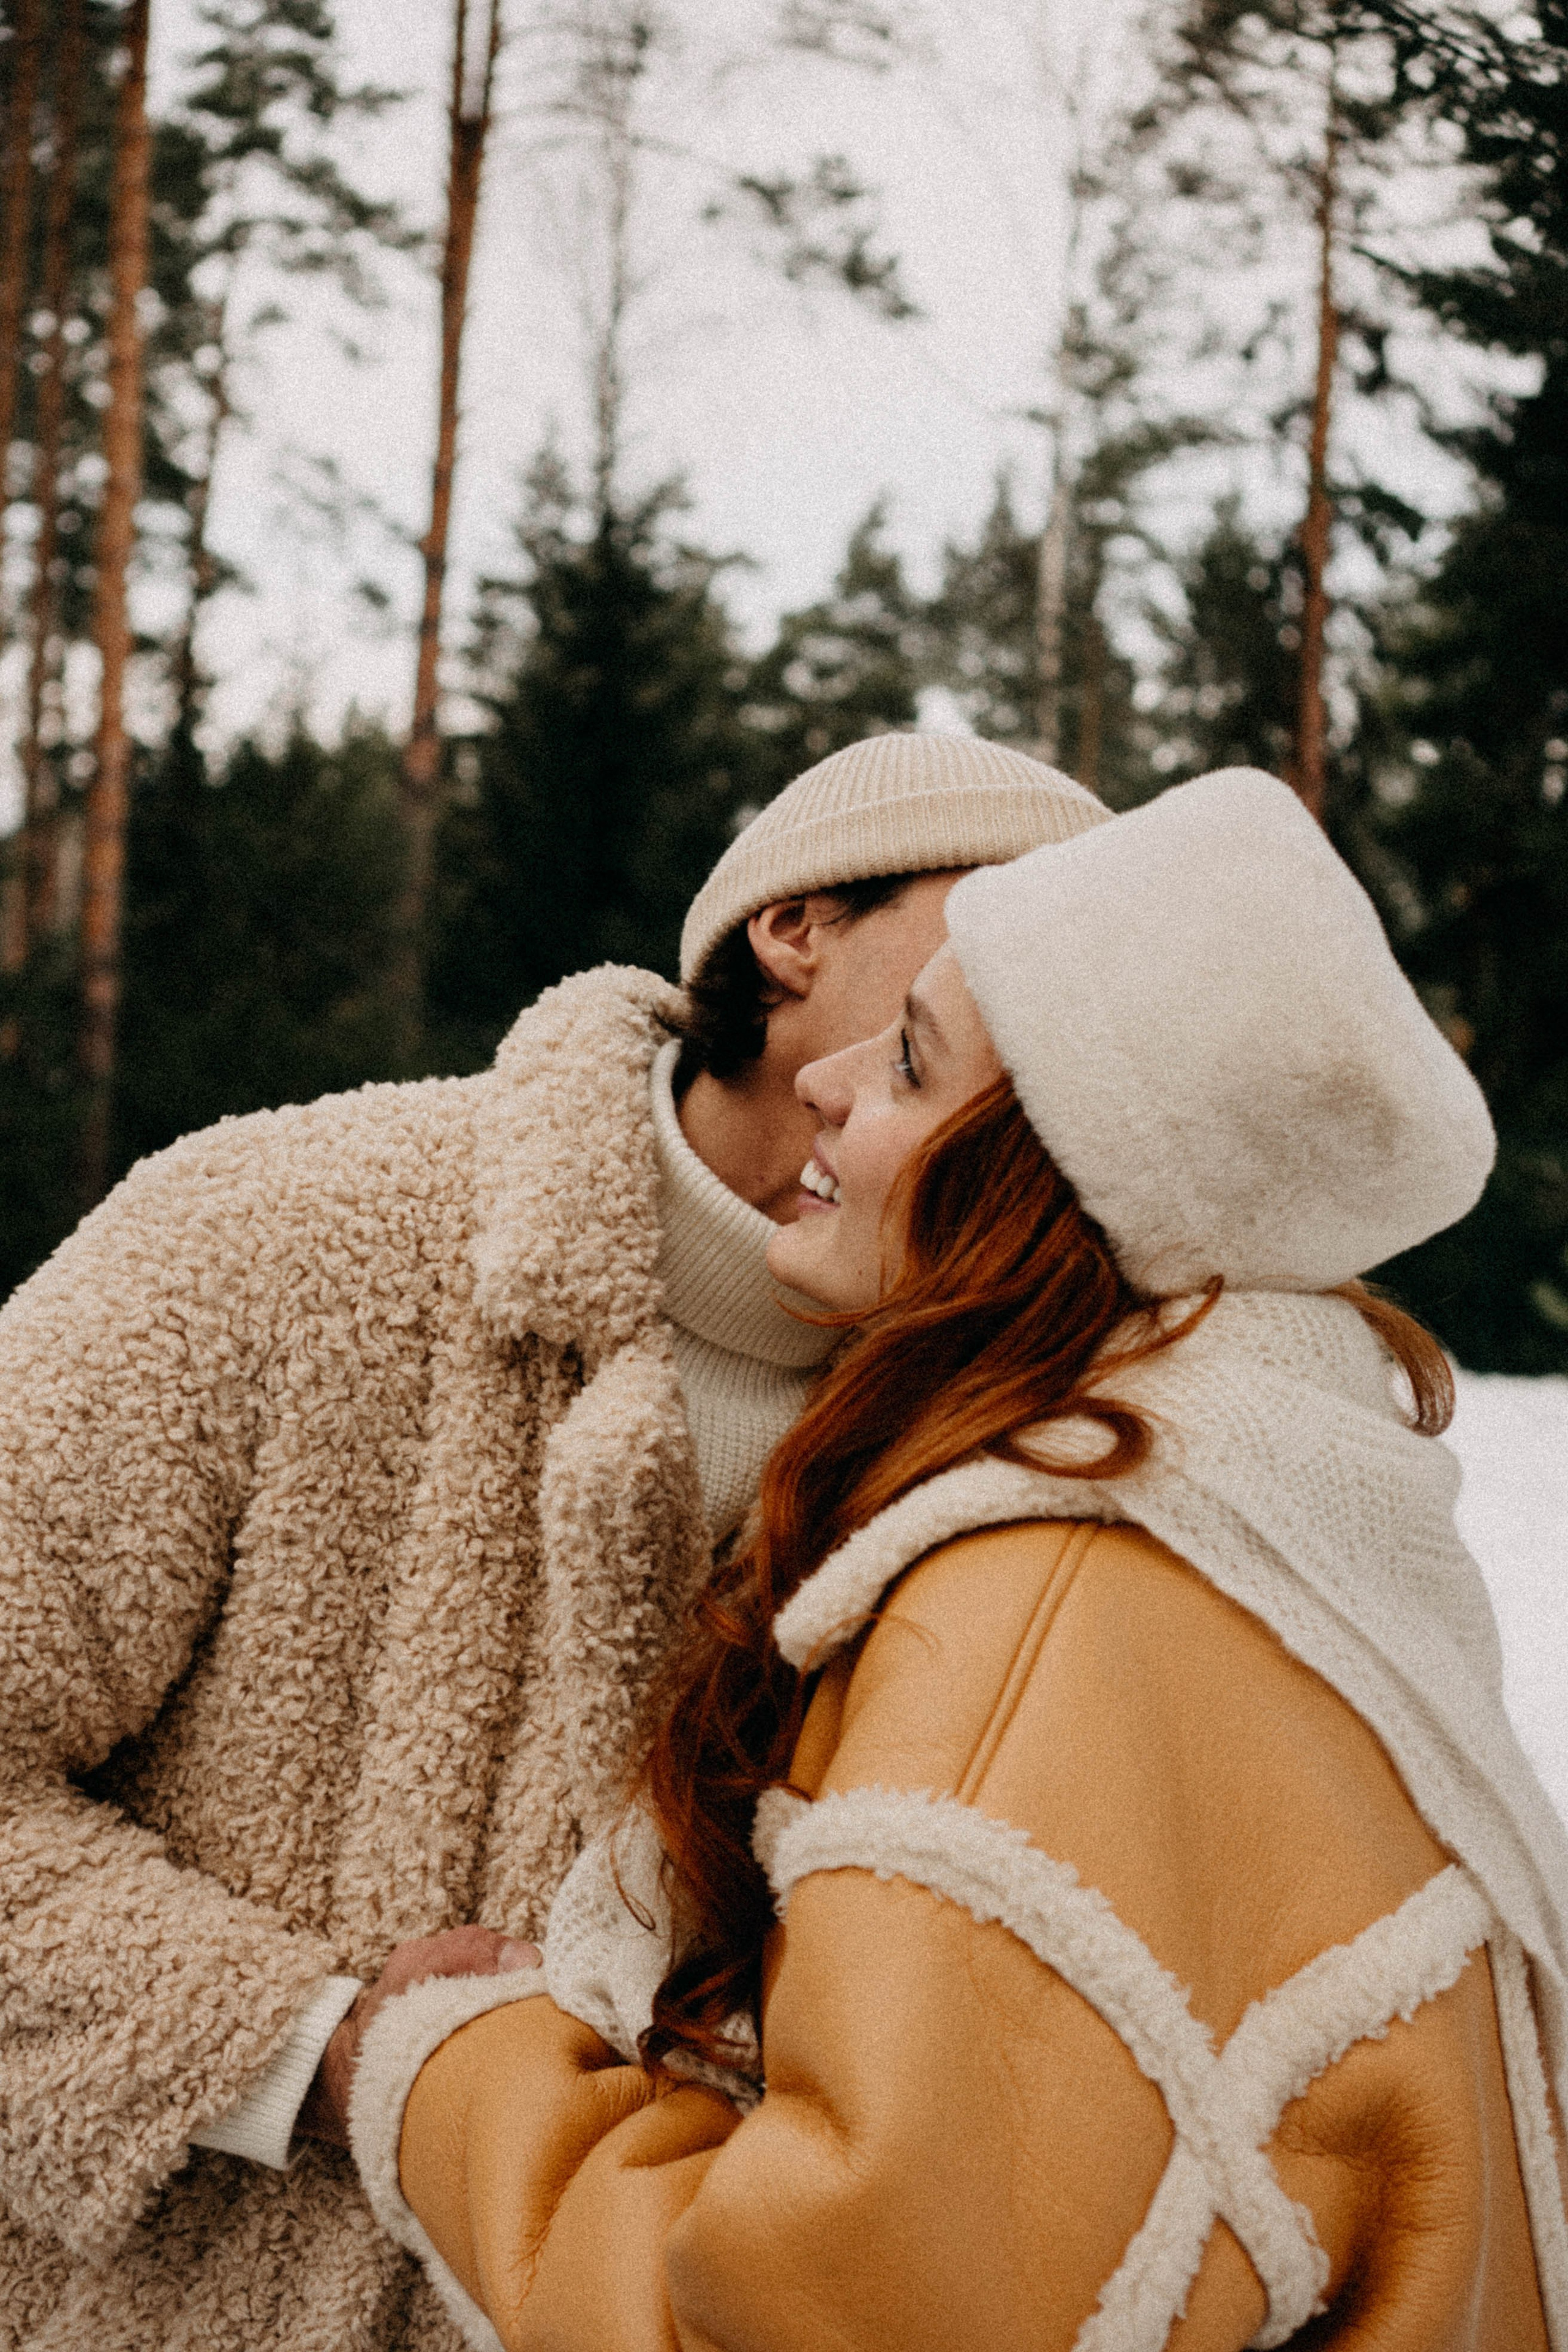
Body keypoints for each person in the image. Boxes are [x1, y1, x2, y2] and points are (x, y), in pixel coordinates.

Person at [347, 769, 1568, 2352]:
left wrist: (453, 2067)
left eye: (914, 1062)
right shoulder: (1285, 1537)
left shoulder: (1047, 1610)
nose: (840, 1086)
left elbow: (809, 2322)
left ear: (1062, 1187)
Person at [0, 734, 1110, 2351]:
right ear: (791, 927)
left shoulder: (1035, 1441)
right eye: (1002, 920)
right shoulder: (279, 1240)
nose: (1044, 989)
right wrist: (307, 2052)